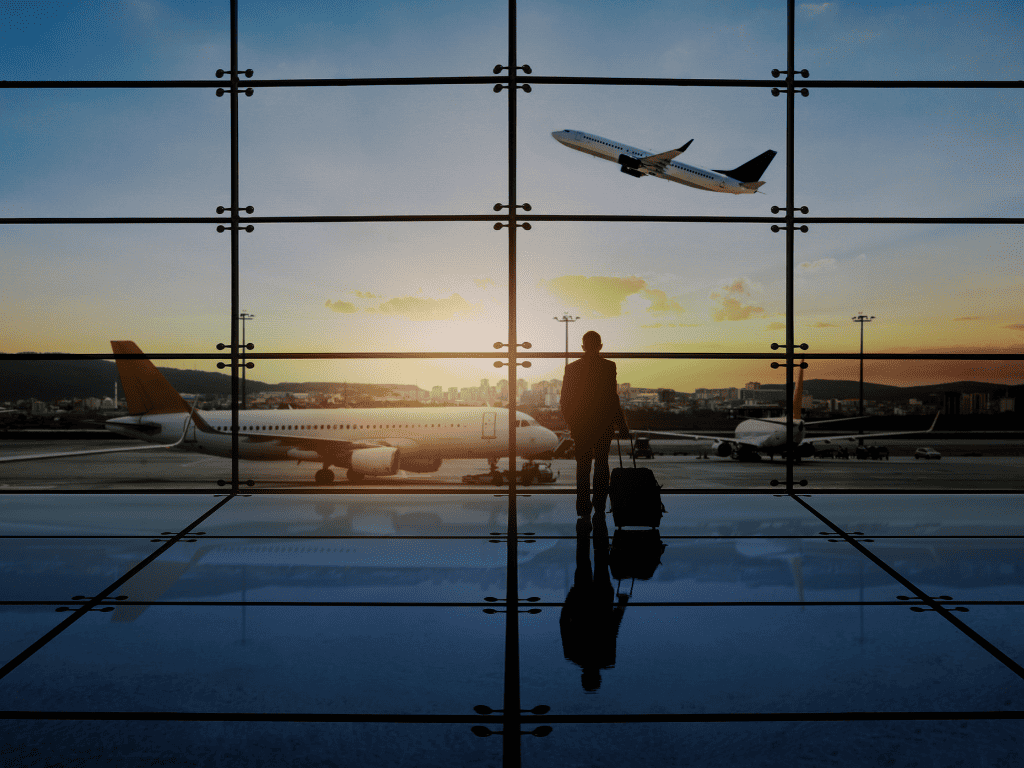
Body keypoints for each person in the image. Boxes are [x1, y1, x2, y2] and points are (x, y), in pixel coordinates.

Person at [559, 331, 630, 516]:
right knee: (601, 464)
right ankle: (599, 504)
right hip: (603, 424)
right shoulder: (608, 366)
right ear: (600, 346)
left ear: (582, 347)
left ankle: (583, 506)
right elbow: (612, 398)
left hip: (581, 426)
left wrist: (572, 423)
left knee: (582, 466)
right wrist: (621, 424)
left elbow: (565, 399)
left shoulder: (572, 368)